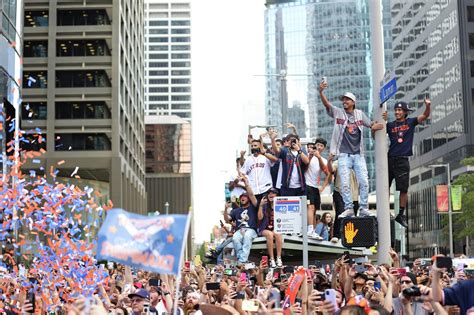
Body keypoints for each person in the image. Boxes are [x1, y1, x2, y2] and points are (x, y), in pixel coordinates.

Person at [319, 80, 384, 217]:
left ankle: (363, 207)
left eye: (347, 99)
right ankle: (348, 207)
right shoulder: (338, 113)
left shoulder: (360, 114)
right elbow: (326, 104)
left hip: (358, 155)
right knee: (345, 183)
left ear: (353, 102)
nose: (344, 101)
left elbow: (371, 124)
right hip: (343, 155)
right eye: (343, 100)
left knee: (364, 182)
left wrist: (381, 123)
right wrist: (321, 92)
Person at [382, 99, 431, 228]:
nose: (397, 112)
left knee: (403, 189)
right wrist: (383, 120)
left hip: (402, 160)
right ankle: (384, 211)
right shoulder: (390, 125)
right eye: (396, 110)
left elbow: (425, 116)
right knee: (384, 186)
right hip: (390, 159)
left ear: (405, 112)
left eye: (400, 110)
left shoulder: (410, 122)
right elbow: (378, 132)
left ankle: (401, 214)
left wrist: (428, 106)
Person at [322, 153, 359, 243]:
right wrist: (329, 161)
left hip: (353, 195)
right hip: (340, 192)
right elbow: (331, 170)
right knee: (340, 212)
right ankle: (337, 236)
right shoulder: (338, 163)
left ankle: (349, 237)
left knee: (352, 216)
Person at [223, 176, 258, 263]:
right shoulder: (236, 211)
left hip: (251, 230)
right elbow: (227, 220)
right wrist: (225, 209)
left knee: (247, 236)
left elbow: (251, 194)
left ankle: (242, 260)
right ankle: (241, 259)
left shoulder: (253, 207)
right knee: (235, 238)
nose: (243, 198)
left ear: (249, 199)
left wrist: (246, 183)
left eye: (245, 197)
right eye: (241, 197)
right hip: (240, 230)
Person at [270, 131, 310, 196]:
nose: (293, 142)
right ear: (288, 142)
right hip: (287, 187)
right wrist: (272, 139)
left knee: (301, 205)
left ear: (298, 141)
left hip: (301, 187)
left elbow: (307, 161)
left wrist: (298, 149)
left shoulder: (302, 151)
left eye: (294, 140)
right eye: (290, 141)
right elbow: (276, 151)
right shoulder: (284, 151)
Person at [305, 138, 328, 239]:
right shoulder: (308, 155)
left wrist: (323, 187)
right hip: (306, 184)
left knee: (314, 211)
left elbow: (327, 173)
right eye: (317, 145)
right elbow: (304, 167)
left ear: (324, 148)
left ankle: (313, 231)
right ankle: (309, 230)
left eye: (321, 146)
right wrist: (311, 155)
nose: (319, 147)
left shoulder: (323, 160)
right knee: (310, 207)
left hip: (315, 187)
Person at [257, 187, 283, 268]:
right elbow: (260, 218)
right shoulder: (264, 205)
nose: (271, 194)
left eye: (273, 193)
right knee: (270, 234)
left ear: (277, 195)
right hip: (264, 229)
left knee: (278, 233)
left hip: (276, 228)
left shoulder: (280, 205)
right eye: (269, 193)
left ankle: (278, 258)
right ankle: (271, 259)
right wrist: (260, 206)